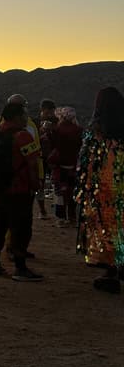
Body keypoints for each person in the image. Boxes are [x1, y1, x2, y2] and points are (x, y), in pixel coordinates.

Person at [0, 102, 43, 281]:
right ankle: (20, 268)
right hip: (18, 190)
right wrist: (35, 184)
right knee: (20, 228)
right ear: (17, 117)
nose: (27, 118)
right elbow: (32, 163)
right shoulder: (23, 136)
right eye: (25, 115)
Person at [75, 87, 124, 294]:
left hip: (104, 191)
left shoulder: (96, 131)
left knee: (107, 230)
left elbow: (85, 161)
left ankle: (111, 273)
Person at [46, 106, 83, 226]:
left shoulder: (57, 130)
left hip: (59, 167)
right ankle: (72, 217)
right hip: (73, 166)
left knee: (59, 194)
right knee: (71, 193)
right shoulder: (78, 130)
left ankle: (61, 218)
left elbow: (52, 145)